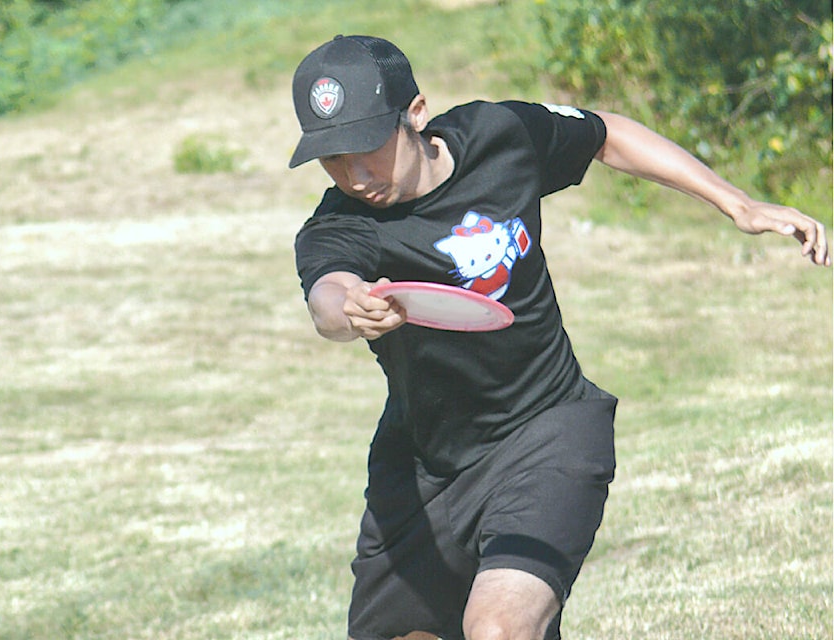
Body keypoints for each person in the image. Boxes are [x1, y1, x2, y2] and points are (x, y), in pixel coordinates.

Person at [287, 35, 830, 640]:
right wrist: (351, 308)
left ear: (415, 113)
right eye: (333, 159)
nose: (354, 175)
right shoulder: (338, 225)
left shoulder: (499, 136)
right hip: (424, 465)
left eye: (368, 147)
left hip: (548, 427)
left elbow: (608, 134)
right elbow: (327, 295)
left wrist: (738, 202)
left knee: (498, 628)